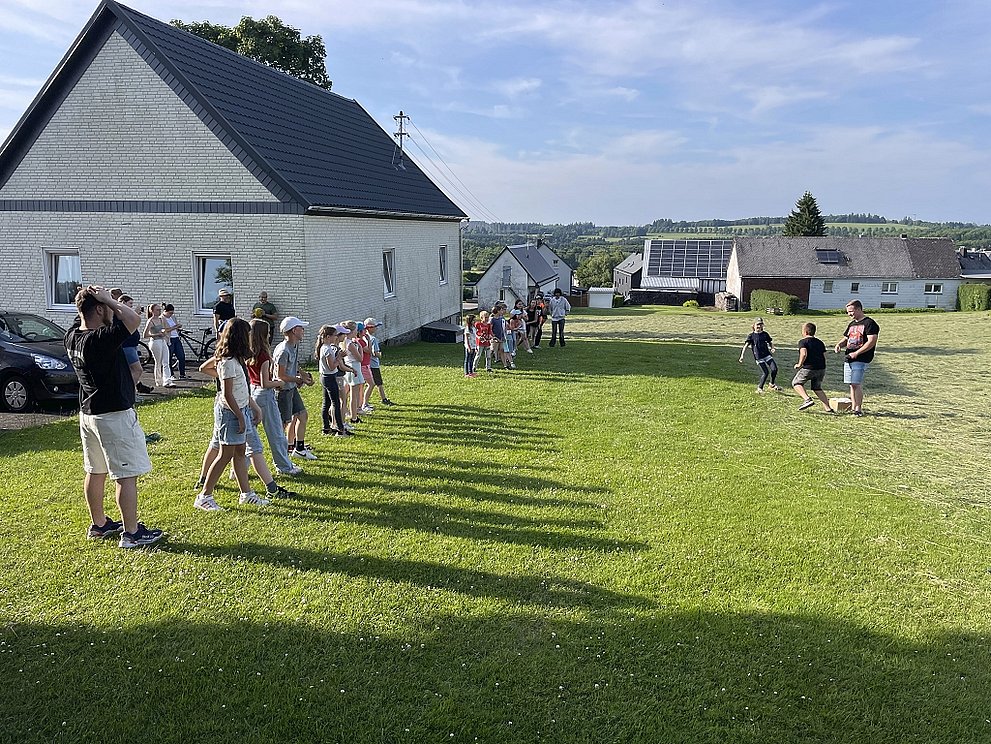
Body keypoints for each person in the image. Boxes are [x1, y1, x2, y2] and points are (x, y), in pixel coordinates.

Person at [64, 285, 164, 548]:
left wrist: (95, 298)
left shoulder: (72, 336)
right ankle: (131, 533)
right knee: (125, 475)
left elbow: (84, 314)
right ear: (99, 309)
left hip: (89, 414)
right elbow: (133, 319)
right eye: (106, 307)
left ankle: (99, 524)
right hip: (114, 415)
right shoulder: (100, 339)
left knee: (95, 471)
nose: (112, 311)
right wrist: (109, 300)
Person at [193, 318, 270, 511]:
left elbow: (240, 388)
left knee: (240, 452)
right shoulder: (227, 362)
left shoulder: (236, 359)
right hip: (230, 413)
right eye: (247, 334)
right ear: (240, 337)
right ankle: (204, 496)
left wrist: (253, 407)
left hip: (240, 409)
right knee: (225, 454)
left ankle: (246, 494)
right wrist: (240, 417)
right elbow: (227, 394)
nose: (250, 338)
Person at [247, 318, 302, 476]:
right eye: (268, 333)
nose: (270, 335)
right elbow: (265, 382)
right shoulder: (263, 356)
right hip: (264, 395)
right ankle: (284, 467)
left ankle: (237, 469)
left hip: (252, 392)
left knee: (249, 434)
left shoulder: (248, 352)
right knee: (276, 433)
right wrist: (279, 382)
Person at [274, 316, 317, 459]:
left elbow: (294, 365)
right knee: (283, 424)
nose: (303, 330)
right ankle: (281, 456)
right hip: (283, 391)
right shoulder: (283, 351)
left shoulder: (294, 346)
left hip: (291, 389)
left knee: (302, 415)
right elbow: (281, 375)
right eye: (301, 328)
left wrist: (304, 376)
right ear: (293, 331)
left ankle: (299, 449)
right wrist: (298, 379)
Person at [834, 299, 880, 417]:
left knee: (856, 383)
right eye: (848, 312)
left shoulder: (869, 323)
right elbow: (847, 338)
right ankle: (853, 407)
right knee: (851, 384)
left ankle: (858, 409)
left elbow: (871, 341)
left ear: (859, 309)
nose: (849, 314)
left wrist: (857, 353)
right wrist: (839, 345)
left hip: (861, 358)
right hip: (849, 357)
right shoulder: (852, 324)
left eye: (851, 311)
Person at [792, 322, 833, 413]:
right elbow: (824, 355)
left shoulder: (803, 342)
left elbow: (804, 354)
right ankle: (828, 408)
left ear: (805, 332)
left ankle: (807, 399)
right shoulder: (820, 342)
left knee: (796, 383)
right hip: (821, 368)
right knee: (817, 388)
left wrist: (799, 364)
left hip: (809, 368)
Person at [116, 293, 153, 394]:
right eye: (130, 304)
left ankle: (131, 390)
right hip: (127, 346)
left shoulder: (126, 313)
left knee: (129, 371)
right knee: (138, 370)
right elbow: (125, 325)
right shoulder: (120, 313)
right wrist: (135, 314)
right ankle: (128, 392)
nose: (131, 306)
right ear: (123, 302)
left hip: (132, 345)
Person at [316, 324, 348, 436]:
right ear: (328, 337)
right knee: (336, 403)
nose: (336, 337)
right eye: (335, 335)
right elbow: (332, 366)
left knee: (327, 403)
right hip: (329, 378)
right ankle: (340, 429)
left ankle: (326, 428)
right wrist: (339, 357)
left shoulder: (324, 347)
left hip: (325, 377)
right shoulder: (327, 349)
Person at [739, 317, 781, 393]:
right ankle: (759, 388)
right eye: (757, 324)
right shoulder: (751, 336)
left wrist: (772, 348)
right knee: (766, 372)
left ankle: (772, 384)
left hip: (767, 355)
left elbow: (770, 342)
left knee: (774, 369)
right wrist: (742, 356)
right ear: (754, 325)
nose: (759, 326)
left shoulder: (765, 334)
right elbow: (745, 346)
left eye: (761, 324)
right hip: (759, 357)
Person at [142, 303, 175, 388]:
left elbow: (164, 329)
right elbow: (145, 335)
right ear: (152, 311)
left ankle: (167, 380)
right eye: (157, 310)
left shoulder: (161, 319)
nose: (159, 311)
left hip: (162, 341)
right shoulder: (150, 321)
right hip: (155, 342)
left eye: (160, 310)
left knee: (166, 361)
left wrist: (164, 332)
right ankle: (159, 380)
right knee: (158, 362)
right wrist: (157, 334)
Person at [363, 318, 394, 406]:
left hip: (366, 364)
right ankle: (383, 399)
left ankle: (362, 400)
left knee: (365, 383)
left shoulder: (363, 338)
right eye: (375, 326)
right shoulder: (373, 339)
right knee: (379, 383)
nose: (376, 328)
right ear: (369, 328)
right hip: (373, 364)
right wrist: (379, 355)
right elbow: (375, 353)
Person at [163, 303, 186, 379]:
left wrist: (178, 327)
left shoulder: (172, 317)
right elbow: (163, 330)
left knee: (181, 356)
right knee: (169, 357)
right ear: (165, 311)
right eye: (170, 313)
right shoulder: (161, 318)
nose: (171, 315)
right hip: (169, 339)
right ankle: (171, 374)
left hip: (176, 338)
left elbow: (175, 326)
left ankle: (182, 374)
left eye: (172, 313)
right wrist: (174, 327)